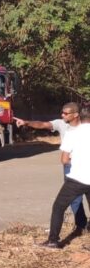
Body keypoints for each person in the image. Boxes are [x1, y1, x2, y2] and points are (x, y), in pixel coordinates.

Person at [15, 102, 88, 235]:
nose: (62, 115)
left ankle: (56, 238)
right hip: (71, 167)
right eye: (62, 112)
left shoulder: (84, 127)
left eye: (66, 113)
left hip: (84, 167)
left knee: (64, 203)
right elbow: (43, 124)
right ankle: (81, 226)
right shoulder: (62, 124)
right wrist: (26, 122)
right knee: (75, 200)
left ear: (76, 115)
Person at [39, 105, 90, 248]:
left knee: (58, 207)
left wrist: (78, 160)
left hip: (77, 179)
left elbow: (64, 160)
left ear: (79, 116)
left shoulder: (72, 134)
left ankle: (53, 240)